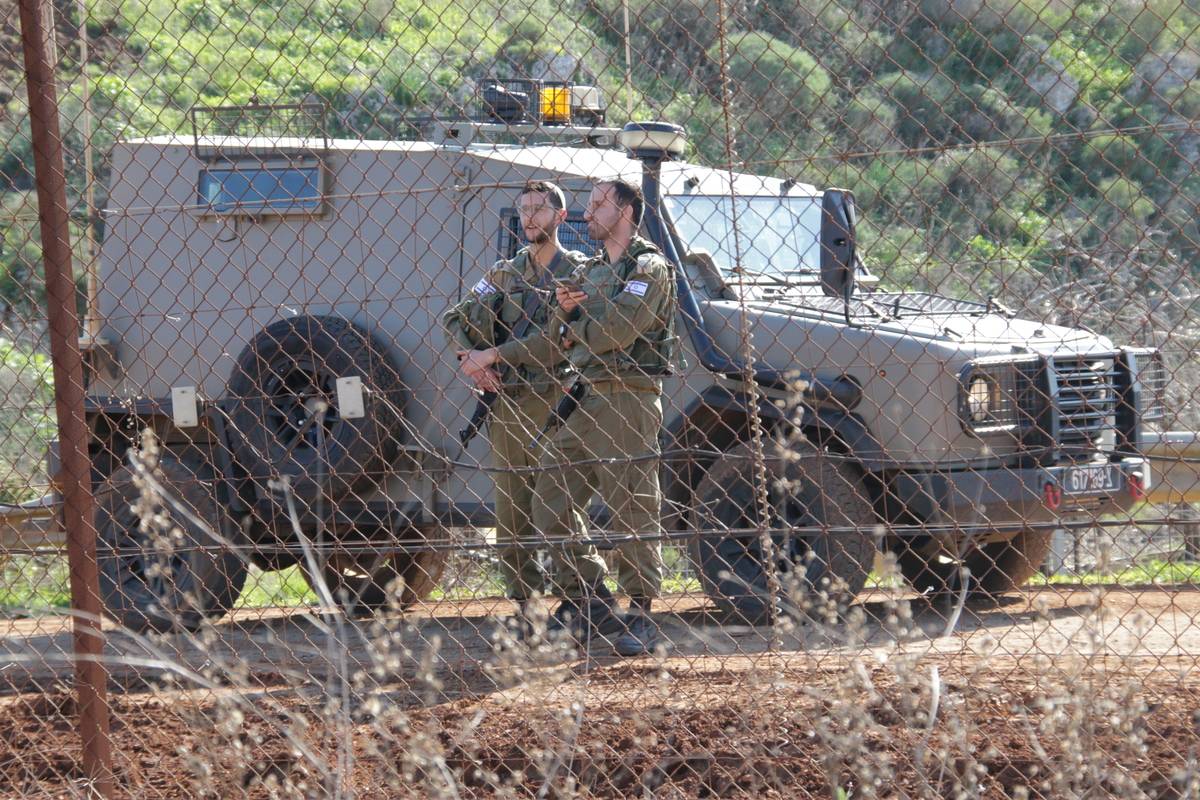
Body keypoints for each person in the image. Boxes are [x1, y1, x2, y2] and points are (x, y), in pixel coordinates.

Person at [458, 178, 677, 656]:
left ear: (626, 211)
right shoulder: (594, 272)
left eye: (599, 204)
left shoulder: (648, 267)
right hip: (585, 395)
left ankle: (641, 612)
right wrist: (568, 326)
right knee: (548, 498)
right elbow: (560, 334)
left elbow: (615, 329)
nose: (589, 211)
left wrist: (573, 324)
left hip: (628, 393)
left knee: (632, 503)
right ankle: (591, 598)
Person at [442, 180, 588, 635]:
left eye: (539, 210)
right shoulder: (505, 272)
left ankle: (579, 597)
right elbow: (455, 317)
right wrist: (472, 360)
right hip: (508, 403)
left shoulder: (579, 273)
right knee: (512, 510)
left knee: (559, 505)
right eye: (523, 210)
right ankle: (525, 603)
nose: (529, 218)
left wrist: (495, 356)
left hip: (558, 400)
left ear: (560, 218)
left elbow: (558, 343)